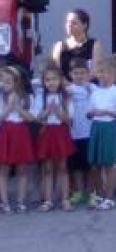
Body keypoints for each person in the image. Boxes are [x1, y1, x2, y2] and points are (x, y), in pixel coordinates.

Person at [86, 56, 116, 211]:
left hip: (110, 128)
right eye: (100, 72)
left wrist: (107, 111)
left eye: (106, 72)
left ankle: (110, 197)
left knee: (110, 165)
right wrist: (91, 113)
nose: (103, 75)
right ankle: (98, 194)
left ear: (114, 74)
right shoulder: (95, 92)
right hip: (96, 128)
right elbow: (89, 113)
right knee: (95, 165)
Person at [33, 63, 75, 212]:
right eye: (48, 80)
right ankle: (48, 200)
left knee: (63, 168)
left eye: (54, 79)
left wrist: (58, 111)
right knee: (48, 169)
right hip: (46, 134)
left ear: (60, 80)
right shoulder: (40, 96)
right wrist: (47, 111)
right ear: (43, 82)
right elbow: (37, 118)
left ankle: (65, 199)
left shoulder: (65, 97)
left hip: (60, 133)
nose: (51, 82)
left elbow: (69, 119)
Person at [0, 66, 36, 213]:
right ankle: (5, 202)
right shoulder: (1, 97)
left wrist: (18, 107)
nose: (4, 84)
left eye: (8, 81)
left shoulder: (27, 97)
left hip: (21, 132)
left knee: (22, 169)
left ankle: (21, 201)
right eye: (3, 80)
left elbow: (31, 118)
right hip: (6, 132)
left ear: (17, 82)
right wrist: (9, 107)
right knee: (4, 169)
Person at [66, 58, 96, 206]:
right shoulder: (68, 90)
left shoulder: (93, 88)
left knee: (90, 166)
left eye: (82, 73)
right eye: (76, 73)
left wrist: (90, 90)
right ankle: (78, 192)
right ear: (70, 74)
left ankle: (91, 193)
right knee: (76, 167)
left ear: (88, 73)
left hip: (90, 133)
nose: (79, 76)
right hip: (74, 134)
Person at [52, 9, 103, 80]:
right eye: (67, 22)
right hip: (66, 87)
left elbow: (95, 70)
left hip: (87, 86)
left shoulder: (94, 45)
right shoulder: (59, 46)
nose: (69, 25)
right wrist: (68, 85)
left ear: (85, 25)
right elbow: (55, 70)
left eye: (74, 23)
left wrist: (80, 85)